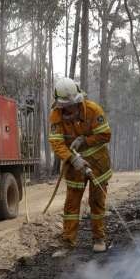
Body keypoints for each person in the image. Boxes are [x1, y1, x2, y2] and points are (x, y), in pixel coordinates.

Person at [48, 77, 112, 253]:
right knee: (71, 204)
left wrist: (84, 140)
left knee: (97, 201)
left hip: (98, 163)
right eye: (67, 106)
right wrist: (72, 158)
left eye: (74, 104)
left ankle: (99, 238)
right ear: (59, 104)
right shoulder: (56, 116)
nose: (72, 109)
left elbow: (105, 135)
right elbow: (56, 142)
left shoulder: (93, 110)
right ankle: (68, 242)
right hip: (74, 166)